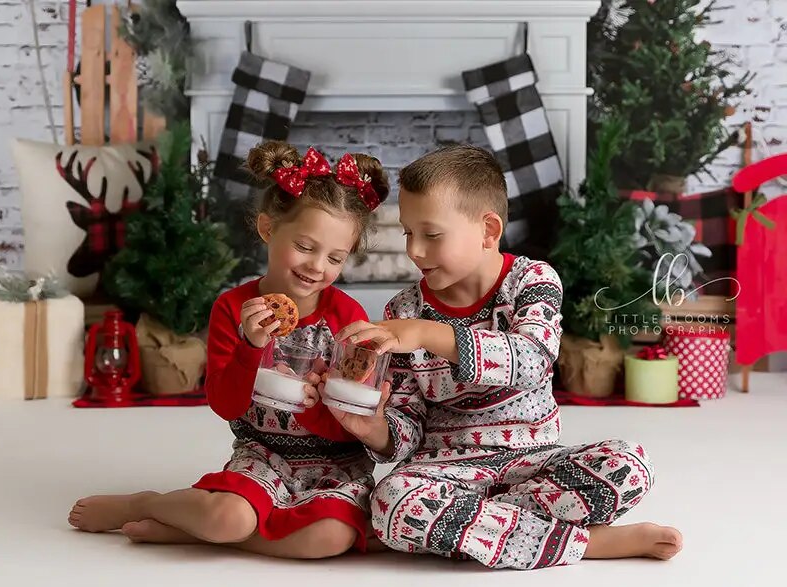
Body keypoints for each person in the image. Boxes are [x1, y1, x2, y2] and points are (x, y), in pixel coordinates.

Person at [330, 145, 683, 569]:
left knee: (629, 466)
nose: (415, 251)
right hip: (446, 470)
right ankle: (586, 544)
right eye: (408, 233)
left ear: (488, 230)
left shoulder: (532, 281)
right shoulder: (402, 311)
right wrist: (374, 429)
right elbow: (409, 425)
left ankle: (469, 529)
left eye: (431, 235)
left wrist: (429, 334)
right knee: (392, 501)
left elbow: (531, 360)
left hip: (532, 462)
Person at [69, 141, 390, 559]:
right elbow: (225, 404)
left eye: (335, 257)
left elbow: (351, 420)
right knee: (229, 517)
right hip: (264, 453)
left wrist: (316, 407)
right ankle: (145, 502)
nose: (317, 267)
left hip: (335, 464)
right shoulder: (234, 309)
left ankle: (189, 531)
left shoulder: (346, 316)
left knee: (330, 539)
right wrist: (250, 346)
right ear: (268, 228)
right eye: (306, 247)